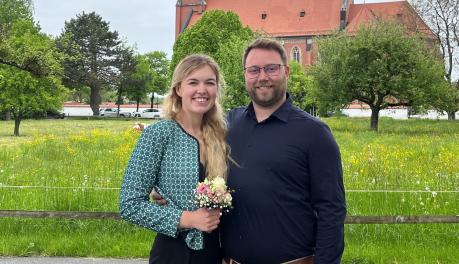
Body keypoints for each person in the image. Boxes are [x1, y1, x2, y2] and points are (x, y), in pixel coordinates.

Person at [219, 38, 346, 264]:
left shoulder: (314, 133)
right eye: (254, 70)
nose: (263, 77)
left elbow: (331, 210)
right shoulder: (229, 124)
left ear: (286, 71)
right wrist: (168, 191)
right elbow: (204, 170)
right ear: (245, 75)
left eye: (271, 68)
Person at [119, 54, 230, 264]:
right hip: (174, 254)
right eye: (193, 82)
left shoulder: (222, 136)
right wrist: (188, 218)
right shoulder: (160, 134)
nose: (202, 90)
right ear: (178, 89)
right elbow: (129, 204)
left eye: (209, 82)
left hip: (215, 253)